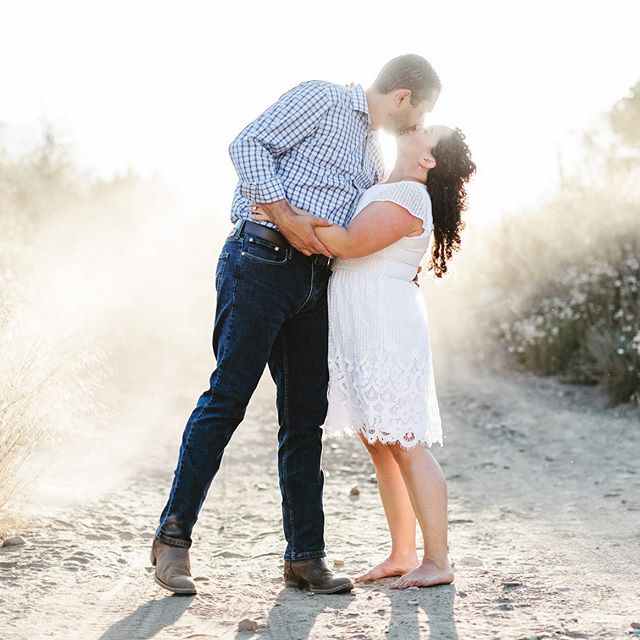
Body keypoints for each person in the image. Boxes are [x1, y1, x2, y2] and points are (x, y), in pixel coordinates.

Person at [150, 54, 442, 595]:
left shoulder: (374, 155)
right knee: (228, 398)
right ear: (404, 96)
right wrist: (284, 214)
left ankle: (305, 556)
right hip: (260, 259)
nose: (417, 122)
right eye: (420, 110)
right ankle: (172, 540)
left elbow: (363, 232)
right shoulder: (323, 97)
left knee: (304, 418)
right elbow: (246, 144)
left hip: (316, 283)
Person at [251, 124, 476, 588]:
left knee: (406, 441)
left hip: (386, 324)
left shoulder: (412, 196)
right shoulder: (384, 186)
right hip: (361, 322)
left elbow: (350, 243)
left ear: (428, 160)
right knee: (380, 443)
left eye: (427, 130)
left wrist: (282, 216)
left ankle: (438, 560)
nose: (417, 124)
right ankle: (402, 553)